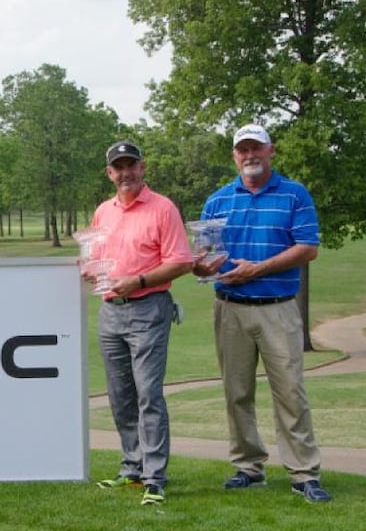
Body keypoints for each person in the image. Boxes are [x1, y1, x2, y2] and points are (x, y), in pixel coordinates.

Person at [194, 123, 331, 502]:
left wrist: (257, 268)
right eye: (243, 149)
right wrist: (202, 266)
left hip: (277, 308)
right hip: (230, 308)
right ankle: (248, 467)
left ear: (271, 151)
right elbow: (203, 254)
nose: (250, 155)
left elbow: (308, 247)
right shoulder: (218, 200)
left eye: (257, 148)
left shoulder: (293, 194)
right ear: (234, 155)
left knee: (290, 392)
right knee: (236, 392)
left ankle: (304, 473)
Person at [82, 140, 193, 506]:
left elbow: (180, 261)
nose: (126, 172)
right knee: (120, 395)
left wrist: (140, 280)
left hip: (149, 307)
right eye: (119, 167)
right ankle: (132, 466)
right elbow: (96, 258)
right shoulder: (103, 212)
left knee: (148, 394)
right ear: (109, 173)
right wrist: (89, 270)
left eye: (132, 165)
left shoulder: (163, 208)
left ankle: (155, 476)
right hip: (111, 310)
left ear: (143, 168)